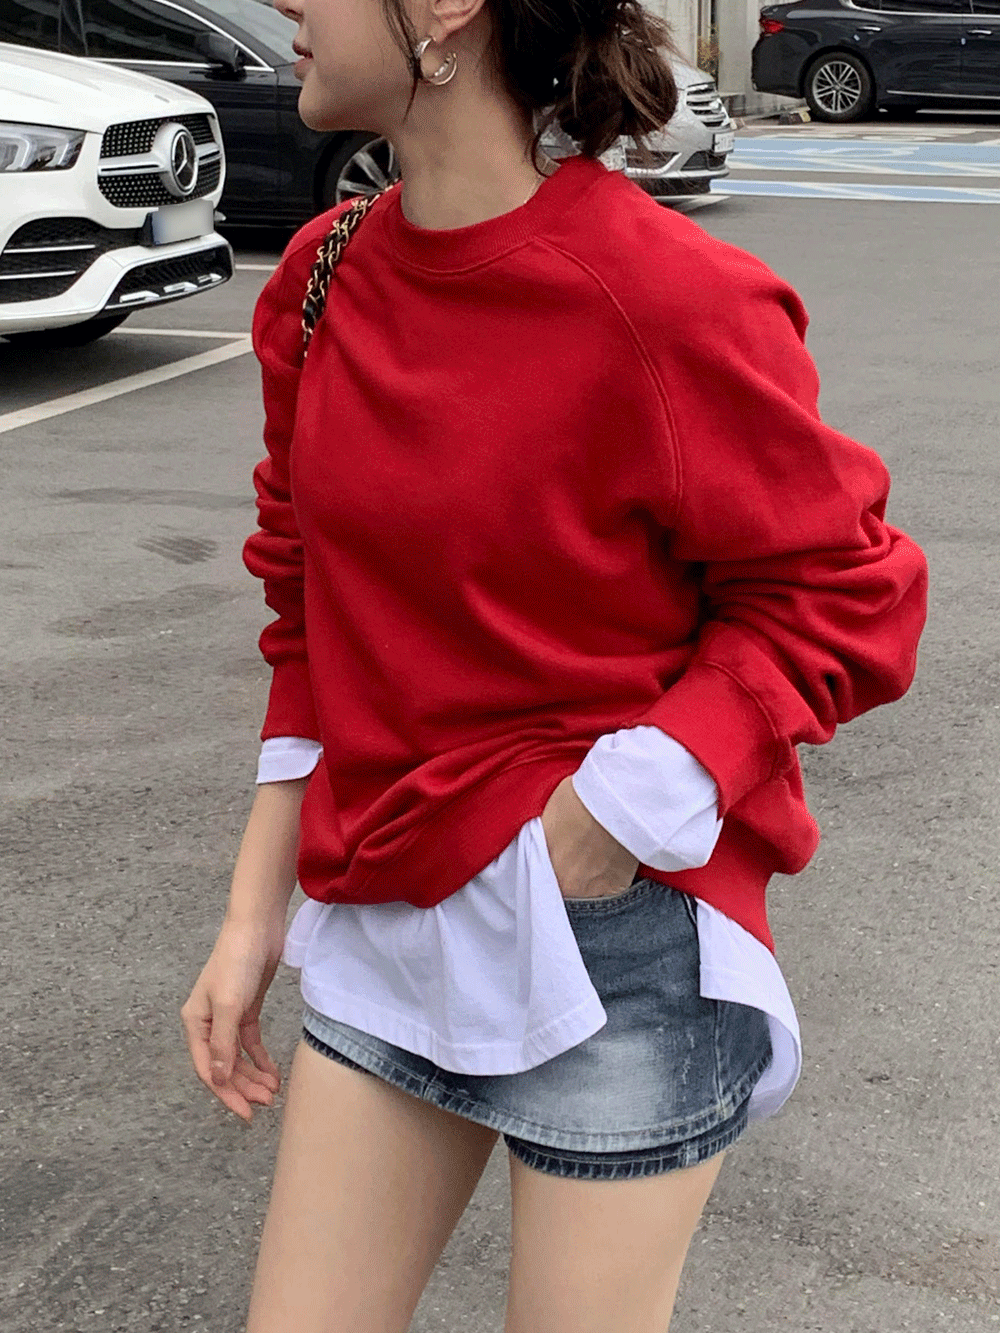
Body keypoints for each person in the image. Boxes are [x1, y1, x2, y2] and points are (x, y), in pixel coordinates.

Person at [180, 0, 929, 1326]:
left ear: (448, 9)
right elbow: (307, 616)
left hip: (613, 951)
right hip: (386, 917)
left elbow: (846, 589)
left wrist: (612, 815)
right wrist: (253, 917)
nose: (285, 3)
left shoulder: (663, 295)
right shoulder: (321, 279)